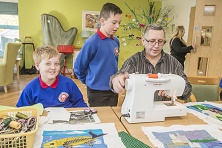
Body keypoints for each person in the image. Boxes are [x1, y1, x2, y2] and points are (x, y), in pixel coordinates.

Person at [110, 23, 192, 101]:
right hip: (139, 111)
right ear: (143, 41)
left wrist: (175, 88)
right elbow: (115, 79)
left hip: (164, 112)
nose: (156, 46)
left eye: (160, 41)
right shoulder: (133, 61)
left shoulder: (173, 63)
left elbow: (188, 90)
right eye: (152, 41)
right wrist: (116, 81)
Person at [74, 3, 122, 107]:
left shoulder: (116, 41)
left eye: (119, 22)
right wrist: (88, 82)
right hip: (96, 92)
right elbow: (78, 67)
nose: (117, 26)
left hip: (113, 89)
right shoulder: (91, 42)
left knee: (111, 118)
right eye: (114, 22)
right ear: (102, 21)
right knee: (100, 120)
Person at [16, 45, 87, 108]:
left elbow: (79, 103)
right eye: (48, 64)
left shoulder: (68, 83)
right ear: (37, 66)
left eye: (56, 64)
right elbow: (21, 109)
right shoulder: (31, 88)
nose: (53, 67)